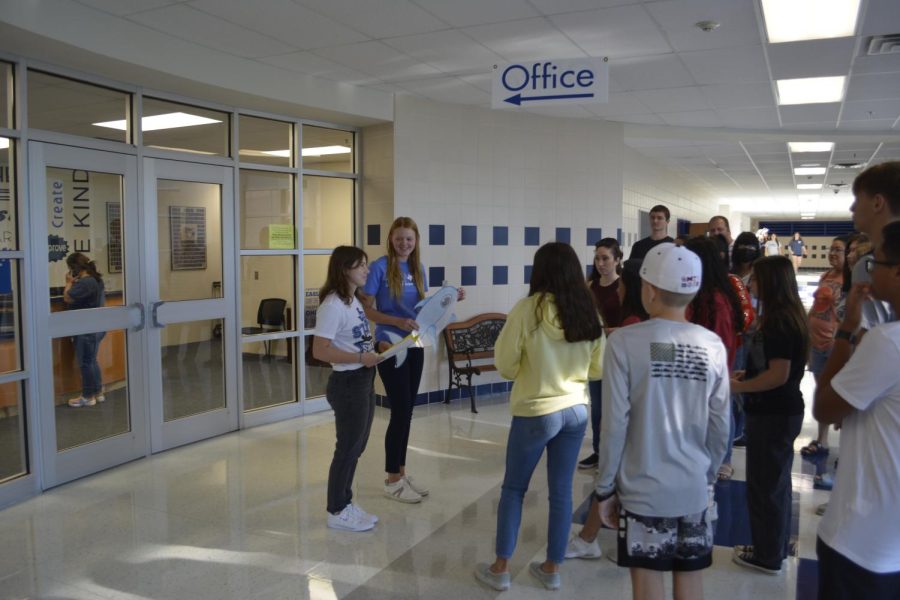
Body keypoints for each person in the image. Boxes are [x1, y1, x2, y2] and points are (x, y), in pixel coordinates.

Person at [594, 243, 730, 600]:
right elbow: (721, 425)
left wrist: (605, 487)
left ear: (650, 290)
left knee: (647, 583)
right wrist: (709, 475)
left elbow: (614, 424)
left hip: (643, 490)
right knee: (691, 579)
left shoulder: (624, 343)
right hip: (694, 487)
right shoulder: (711, 344)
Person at [474, 242, 604, 592]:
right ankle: (552, 568)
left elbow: (504, 365)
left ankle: (501, 568)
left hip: (536, 410)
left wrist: (528, 371)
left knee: (514, 489)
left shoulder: (527, 310)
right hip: (576, 410)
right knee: (562, 492)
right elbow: (597, 368)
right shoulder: (587, 310)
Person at [813, 221, 900, 600]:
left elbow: (825, 407)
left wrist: (847, 332)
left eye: (875, 262)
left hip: (859, 539)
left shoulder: (888, 342)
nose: (868, 269)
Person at [361, 216, 464, 503]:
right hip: (390, 344)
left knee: (407, 412)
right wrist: (394, 321)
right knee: (400, 410)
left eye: (409, 238)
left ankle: (401, 473)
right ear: (390, 240)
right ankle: (392, 480)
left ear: (416, 241)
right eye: (399, 238)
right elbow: (366, 309)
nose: (404, 243)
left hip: (415, 344)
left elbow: (422, 308)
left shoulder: (418, 268)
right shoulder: (380, 268)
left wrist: (452, 298)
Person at [730, 256, 809, 575]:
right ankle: (773, 546)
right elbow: (774, 366)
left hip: (773, 413)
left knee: (765, 486)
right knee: (775, 485)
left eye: (756, 279)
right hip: (781, 410)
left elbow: (778, 375)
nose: (750, 284)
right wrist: (747, 373)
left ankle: (767, 555)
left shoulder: (778, 321)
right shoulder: (787, 316)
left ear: (772, 281)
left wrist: (739, 387)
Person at [565, 257, 648, 561]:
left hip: (631, 419)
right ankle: (590, 537)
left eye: (623, 285)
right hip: (646, 421)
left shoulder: (630, 328)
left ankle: (591, 539)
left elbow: (621, 386)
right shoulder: (664, 330)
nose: (617, 292)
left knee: (613, 480)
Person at [312, 246, 382, 532]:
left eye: (366, 264)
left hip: (364, 377)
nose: (366, 270)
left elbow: (355, 340)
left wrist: (376, 349)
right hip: (348, 383)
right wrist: (358, 358)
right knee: (347, 449)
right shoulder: (332, 305)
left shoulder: (352, 300)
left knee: (357, 447)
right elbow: (320, 351)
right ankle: (336, 510)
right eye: (361, 265)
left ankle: (346, 502)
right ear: (344, 269)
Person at [684, 236, 745, 481]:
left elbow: (719, 344)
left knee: (719, 419)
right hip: (695, 377)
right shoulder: (697, 294)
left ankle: (722, 461)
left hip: (709, 375)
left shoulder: (716, 300)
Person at [578, 237, 623, 470]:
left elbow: (631, 323)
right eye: (597, 258)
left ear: (617, 259)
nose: (600, 263)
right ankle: (598, 450)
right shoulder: (590, 286)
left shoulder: (623, 286)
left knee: (614, 407)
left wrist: (609, 330)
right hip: (596, 353)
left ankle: (614, 451)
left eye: (605, 258)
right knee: (597, 406)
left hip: (617, 353)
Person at [801, 237, 846, 458]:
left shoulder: (850, 280)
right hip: (816, 341)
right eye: (832, 249)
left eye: (839, 250)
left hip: (834, 343)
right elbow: (816, 309)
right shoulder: (825, 276)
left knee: (838, 391)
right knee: (820, 389)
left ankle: (847, 443)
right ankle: (822, 439)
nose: (833, 253)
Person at [63, 252, 106, 408]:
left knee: (85, 362)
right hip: (96, 327)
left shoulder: (85, 283)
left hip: (86, 328)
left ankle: (88, 396)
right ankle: (98, 392)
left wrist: (68, 282)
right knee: (92, 360)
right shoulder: (96, 280)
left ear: (74, 267)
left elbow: (67, 297)